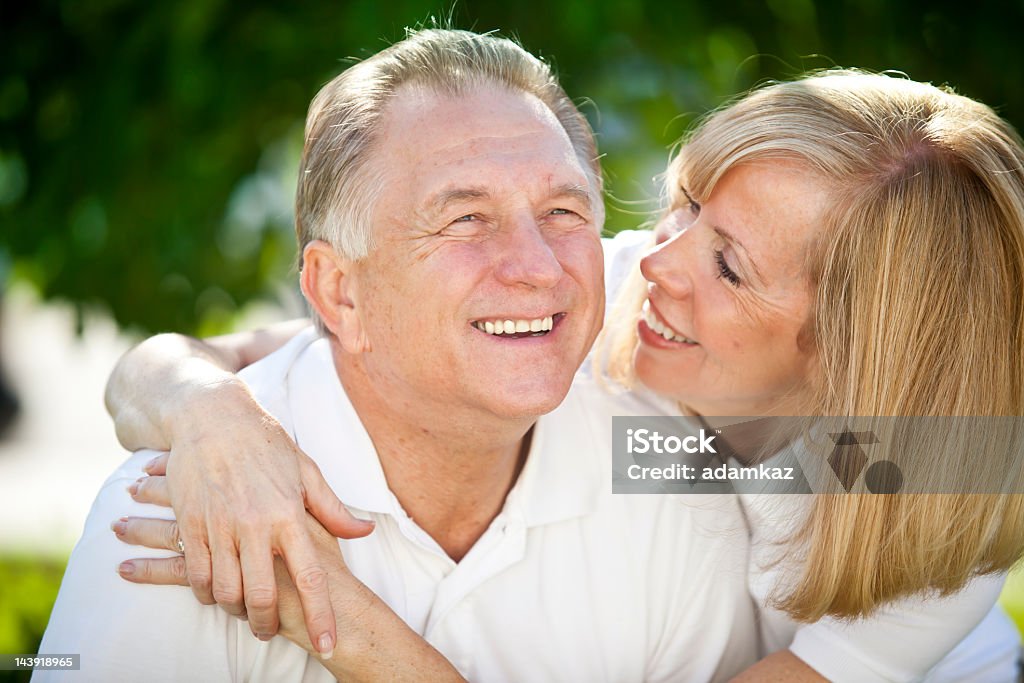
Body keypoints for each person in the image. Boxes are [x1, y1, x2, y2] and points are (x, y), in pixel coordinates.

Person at [103, 69, 1024, 681]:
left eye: (729, 265)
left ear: (852, 354)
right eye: (686, 203)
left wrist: (327, 608)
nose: (657, 260)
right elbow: (247, 349)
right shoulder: (623, 292)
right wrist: (211, 419)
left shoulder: (944, 515)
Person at [36, 28, 758, 683]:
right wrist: (196, 399)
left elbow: (863, 458)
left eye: (563, 212)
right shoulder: (192, 506)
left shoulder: (681, 472)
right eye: (465, 219)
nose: (538, 267)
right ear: (341, 294)